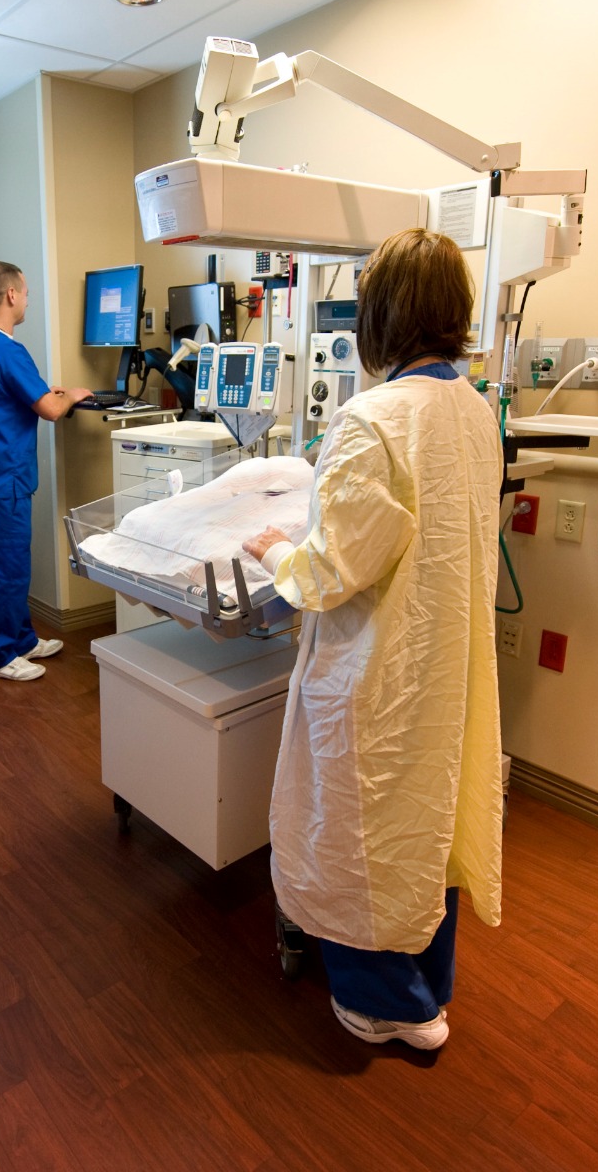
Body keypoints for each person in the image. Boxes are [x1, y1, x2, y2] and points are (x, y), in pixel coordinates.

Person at [243, 227, 505, 1051]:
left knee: (360, 826)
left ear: (379, 316)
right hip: (446, 665)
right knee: (425, 820)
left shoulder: (373, 418)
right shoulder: (474, 411)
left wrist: (275, 548)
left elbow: (329, 574)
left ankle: (380, 1005)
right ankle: (425, 991)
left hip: (375, 670)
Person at [0, 260, 92, 681]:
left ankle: (22, 639)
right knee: (3, 570)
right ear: (11, 295)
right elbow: (49, 410)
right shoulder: (8, 349)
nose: (27, 299)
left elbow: (1, 394)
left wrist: (48, 393)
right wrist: (75, 395)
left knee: (9, 565)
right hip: (0, 479)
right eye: (26, 292)